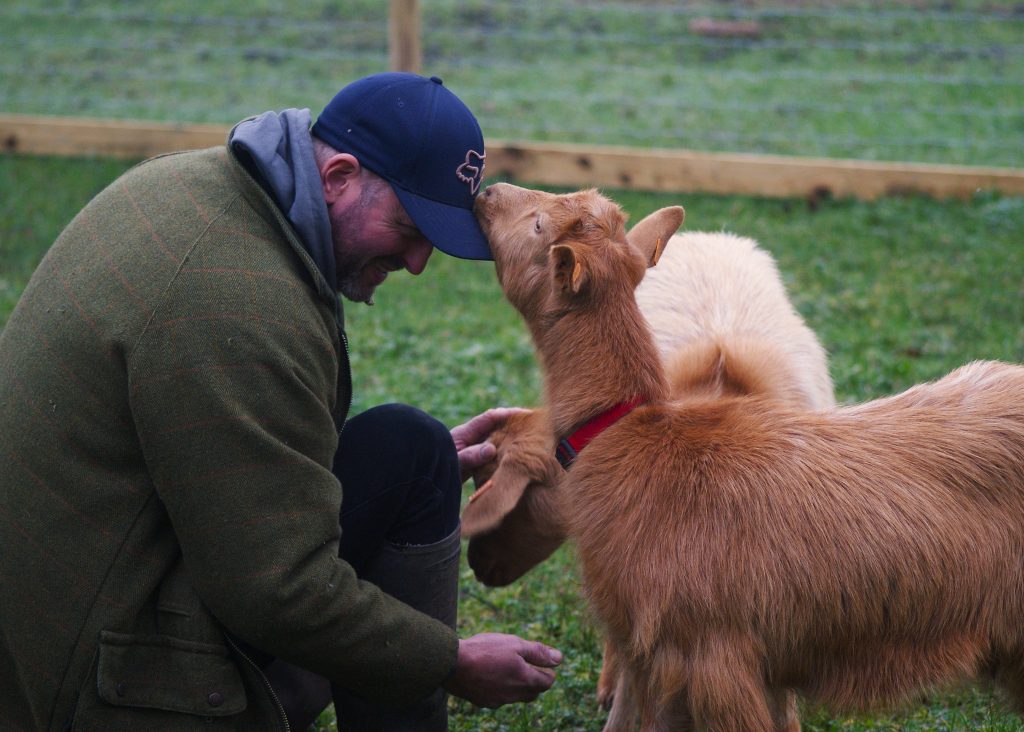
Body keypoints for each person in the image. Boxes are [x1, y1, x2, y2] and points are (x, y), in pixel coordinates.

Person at [0, 72, 562, 731]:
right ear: (339, 177)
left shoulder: (195, 187)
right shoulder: (239, 303)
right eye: (410, 229)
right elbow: (276, 591)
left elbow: (217, 443)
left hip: (81, 604)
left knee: (411, 451)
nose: (417, 264)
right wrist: (449, 662)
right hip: (98, 685)